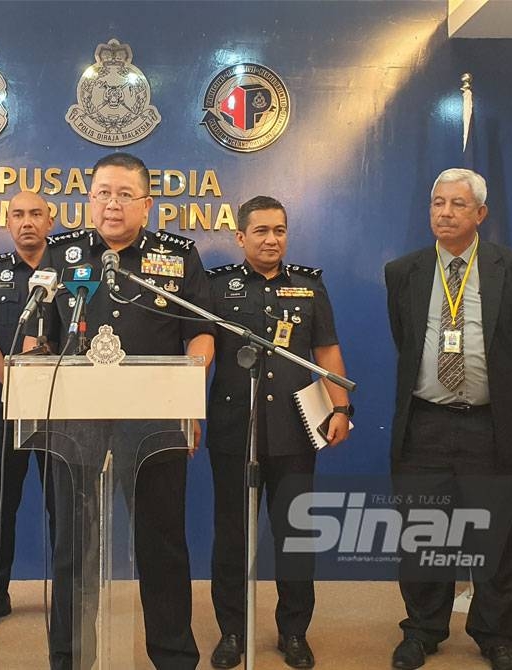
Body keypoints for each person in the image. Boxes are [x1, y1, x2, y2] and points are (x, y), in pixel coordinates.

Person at [25, 152, 214, 670]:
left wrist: (187, 395)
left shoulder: (177, 256)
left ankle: (173, 656)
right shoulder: (59, 255)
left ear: (147, 204)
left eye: (125, 194)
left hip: (153, 420)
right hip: (74, 422)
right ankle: (69, 656)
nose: (112, 204)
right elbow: (38, 329)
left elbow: (200, 331)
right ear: (89, 200)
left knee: (161, 543)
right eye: (103, 193)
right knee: (73, 544)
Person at [384, 169, 512, 670]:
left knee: (496, 534)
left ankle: (496, 636)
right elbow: (405, 340)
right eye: (437, 203)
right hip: (426, 423)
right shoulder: (403, 271)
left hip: (491, 424)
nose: (445, 213)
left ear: (481, 213)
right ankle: (423, 629)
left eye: (457, 204)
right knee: (423, 533)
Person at [205, 196, 351, 669]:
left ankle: (294, 631)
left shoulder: (309, 287)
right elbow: (198, 354)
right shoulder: (215, 287)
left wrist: (341, 408)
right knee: (231, 538)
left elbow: (326, 350)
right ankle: (232, 631)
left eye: (280, 230)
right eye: (262, 230)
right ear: (240, 236)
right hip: (234, 431)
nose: (272, 239)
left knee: (295, 535)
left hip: (293, 431)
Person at [0, 191, 56, 632]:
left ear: (50, 220)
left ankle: (68, 592)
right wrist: (16, 382)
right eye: (18, 214)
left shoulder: (73, 270)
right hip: (3, 403)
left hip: (61, 406)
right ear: (7, 222)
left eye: (35, 214)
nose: (27, 222)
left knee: (64, 505)